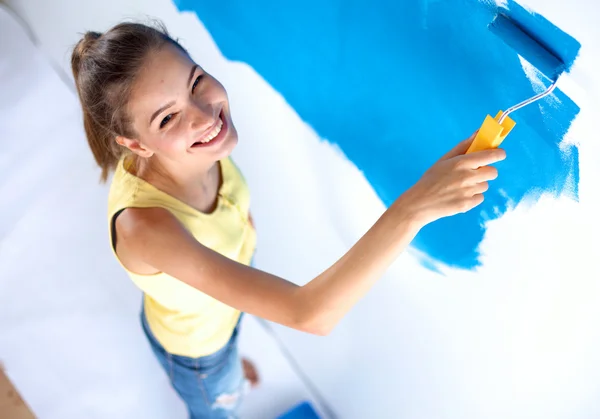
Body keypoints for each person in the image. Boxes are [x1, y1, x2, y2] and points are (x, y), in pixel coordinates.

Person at [70, 20, 505, 419]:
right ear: (136, 145)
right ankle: (223, 390)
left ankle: (232, 373)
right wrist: (414, 208)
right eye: (167, 117)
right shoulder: (146, 229)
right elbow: (309, 314)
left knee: (231, 357)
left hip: (218, 314)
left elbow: (227, 208)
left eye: (196, 81)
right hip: (199, 352)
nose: (206, 115)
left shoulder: (196, 147)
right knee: (218, 406)